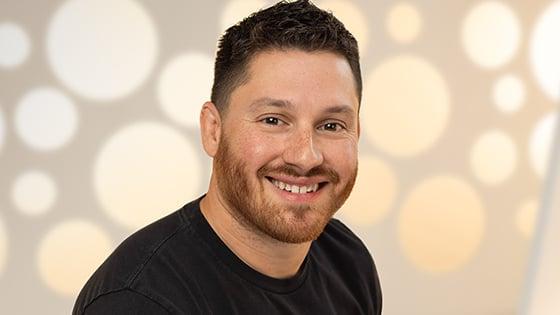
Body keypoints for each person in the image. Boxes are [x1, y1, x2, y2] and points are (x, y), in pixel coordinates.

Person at [72, 0, 382, 314]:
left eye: (332, 125)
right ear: (213, 130)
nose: (305, 156)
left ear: (356, 133)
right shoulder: (139, 301)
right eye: (273, 120)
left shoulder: (347, 262)